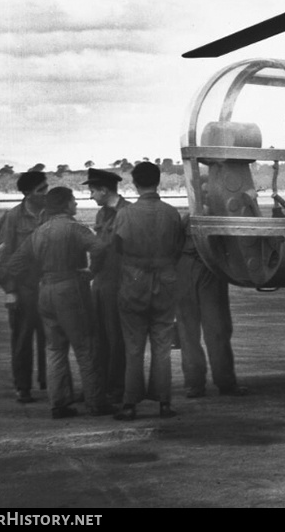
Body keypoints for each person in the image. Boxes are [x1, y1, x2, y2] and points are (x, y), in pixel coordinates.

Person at [4, 187, 109, 419]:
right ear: (65, 204)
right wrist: (91, 271)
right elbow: (100, 248)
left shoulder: (39, 232)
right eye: (73, 200)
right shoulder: (74, 228)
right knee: (85, 347)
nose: (76, 204)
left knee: (55, 350)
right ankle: (96, 402)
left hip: (45, 291)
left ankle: (58, 404)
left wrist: (37, 278)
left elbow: (13, 264)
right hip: (71, 289)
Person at [113, 162, 183, 421]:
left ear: (135, 183)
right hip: (165, 283)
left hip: (134, 283)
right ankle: (164, 403)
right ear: (158, 181)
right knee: (162, 346)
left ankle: (130, 404)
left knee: (133, 347)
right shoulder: (172, 213)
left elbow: (118, 246)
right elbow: (177, 248)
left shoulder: (126, 214)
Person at [0, 171, 49, 403]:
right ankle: (23, 387)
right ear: (27, 193)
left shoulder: (50, 215)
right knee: (23, 338)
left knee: (52, 338)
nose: (46, 193)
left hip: (47, 286)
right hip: (24, 289)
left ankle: (49, 385)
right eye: (41, 190)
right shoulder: (13, 217)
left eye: (47, 188)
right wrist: (10, 290)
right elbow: (4, 257)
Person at [178, 234, 250, 399]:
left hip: (185, 269)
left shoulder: (183, 221)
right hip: (209, 268)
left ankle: (194, 384)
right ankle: (224, 382)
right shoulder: (212, 218)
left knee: (189, 332)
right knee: (217, 330)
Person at [83, 169, 128, 407]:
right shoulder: (102, 214)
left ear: (104, 190)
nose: (91, 196)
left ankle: (117, 388)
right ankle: (102, 386)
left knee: (116, 338)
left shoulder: (127, 212)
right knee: (99, 338)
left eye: (92, 190)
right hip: (100, 283)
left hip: (118, 284)